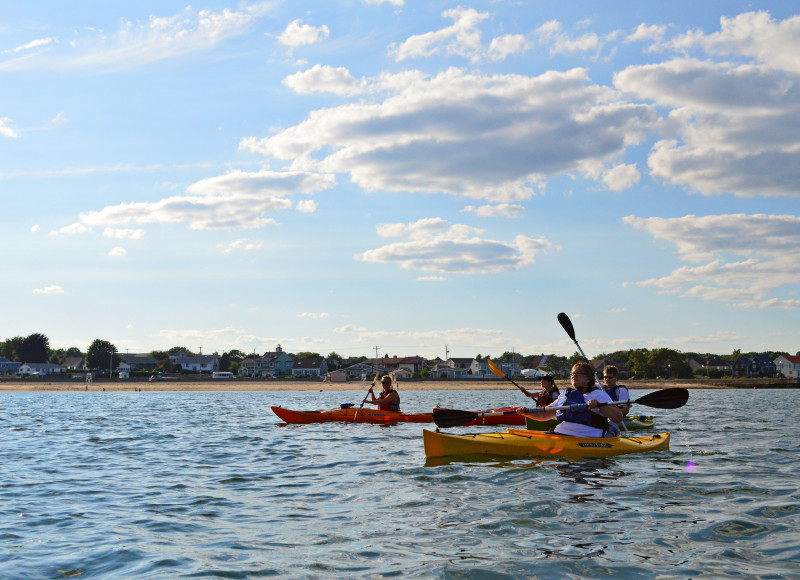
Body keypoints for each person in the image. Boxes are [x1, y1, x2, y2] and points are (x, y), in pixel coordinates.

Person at [520, 362, 623, 437]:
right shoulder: (566, 396)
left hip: (587, 438)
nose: (573, 376)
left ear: (588, 378)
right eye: (572, 374)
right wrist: (526, 413)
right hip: (560, 434)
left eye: (577, 373)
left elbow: (618, 417)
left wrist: (600, 406)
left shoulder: (598, 394)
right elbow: (544, 415)